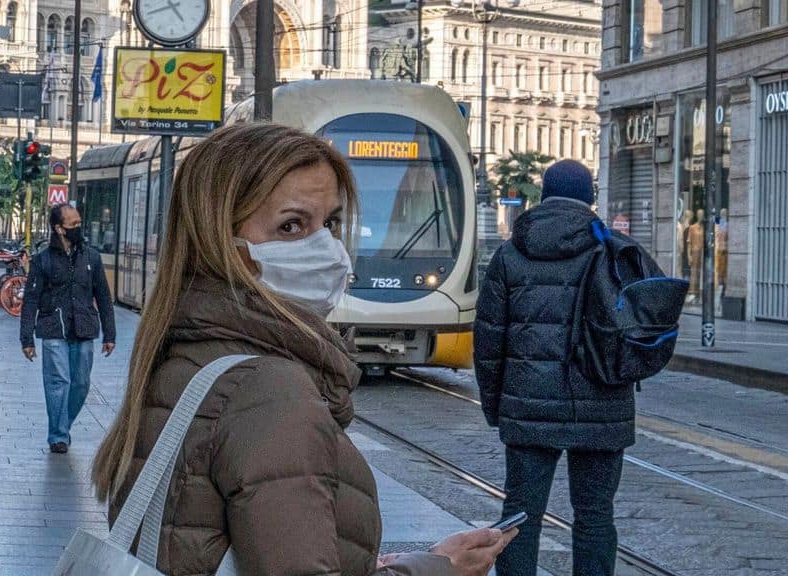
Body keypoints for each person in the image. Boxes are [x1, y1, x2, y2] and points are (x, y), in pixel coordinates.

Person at [92, 123, 516, 575]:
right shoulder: (267, 390)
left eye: (330, 222)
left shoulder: (190, 356)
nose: (325, 247)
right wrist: (437, 567)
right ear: (220, 240)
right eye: (291, 225)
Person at [475, 160, 632, 576]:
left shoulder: (510, 254)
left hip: (529, 407)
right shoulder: (611, 250)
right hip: (602, 407)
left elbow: (488, 341)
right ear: (589, 199)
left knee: (520, 514)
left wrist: (496, 407)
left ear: (543, 196)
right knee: (596, 517)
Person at [20, 204, 117, 454]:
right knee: (57, 382)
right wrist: (26, 338)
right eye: (73, 224)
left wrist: (110, 333)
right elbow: (31, 300)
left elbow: (104, 297)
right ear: (59, 229)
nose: (78, 228)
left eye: (79, 223)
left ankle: (63, 425)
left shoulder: (92, 258)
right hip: (54, 328)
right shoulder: (42, 261)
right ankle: (58, 436)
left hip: (84, 328)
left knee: (81, 384)